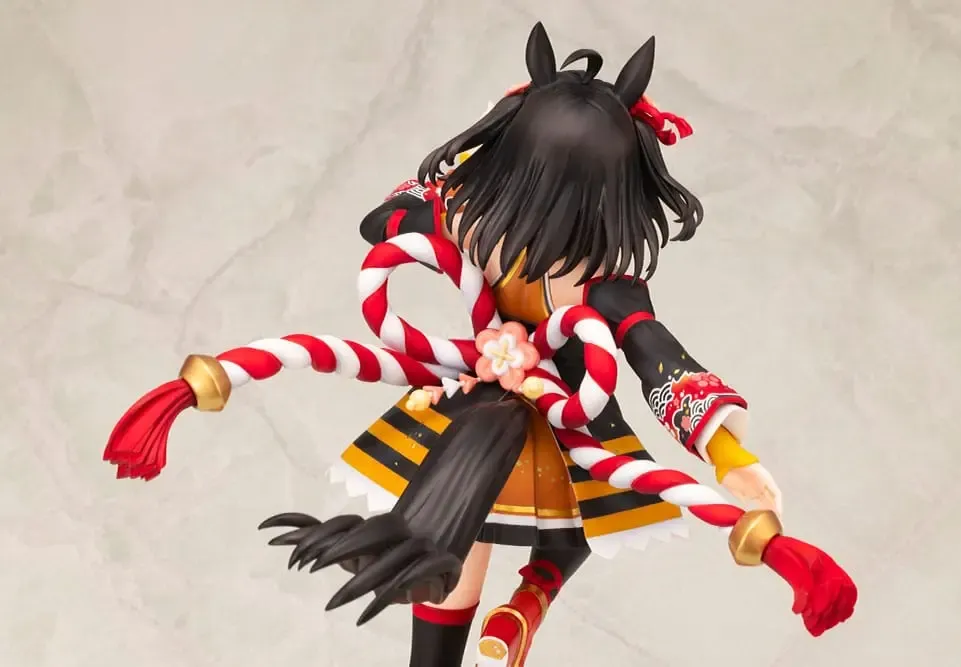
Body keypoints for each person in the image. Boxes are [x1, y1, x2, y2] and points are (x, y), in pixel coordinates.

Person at [104, 22, 854, 667]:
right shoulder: (601, 279)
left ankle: (466, 635)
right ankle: (535, 595)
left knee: (460, 538)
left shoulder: (469, 223)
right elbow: (657, 358)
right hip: (555, 415)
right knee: (568, 530)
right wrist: (728, 455)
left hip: (486, 402)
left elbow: (383, 221)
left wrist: (453, 195)